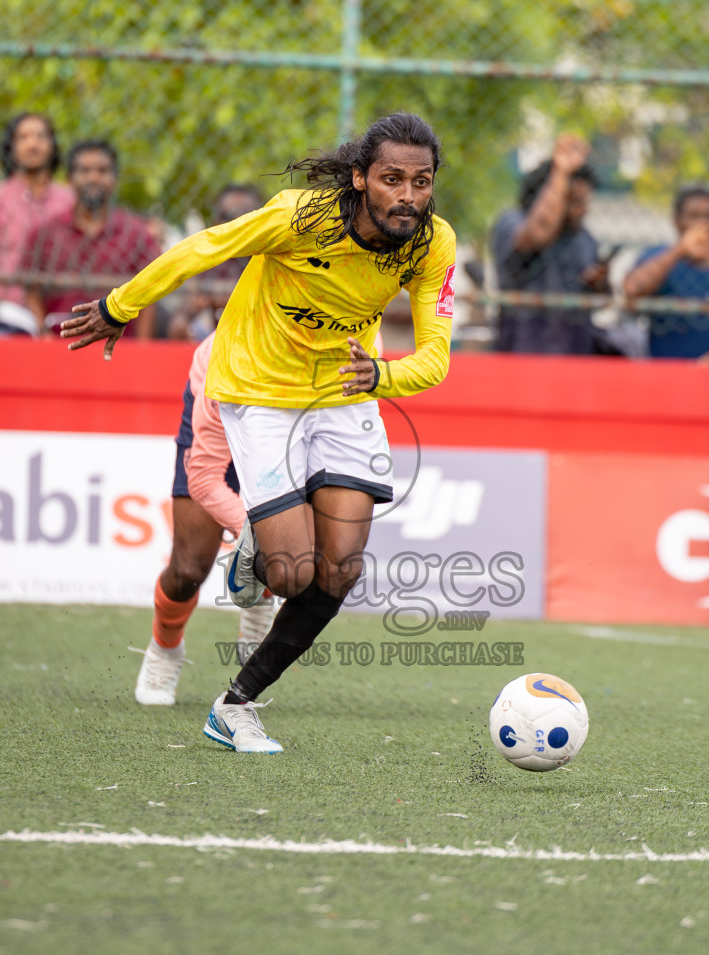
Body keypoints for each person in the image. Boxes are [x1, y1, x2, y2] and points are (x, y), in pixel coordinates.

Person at [61, 112, 457, 752]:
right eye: (391, 180)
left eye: (421, 181)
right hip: (258, 390)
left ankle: (234, 705)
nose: (408, 196)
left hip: (344, 391)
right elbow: (204, 248)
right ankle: (239, 569)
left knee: (342, 570)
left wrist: (380, 375)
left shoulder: (432, 242)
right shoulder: (302, 217)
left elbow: (436, 358)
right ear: (360, 179)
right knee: (286, 573)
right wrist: (119, 306)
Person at [132, 332, 278, 705]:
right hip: (220, 421)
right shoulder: (228, 359)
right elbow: (204, 479)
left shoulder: (343, 345)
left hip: (289, 427)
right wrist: (257, 536)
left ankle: (260, 590)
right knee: (188, 570)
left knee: (291, 547)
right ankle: (165, 647)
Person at [22, 140, 160, 334]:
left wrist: (140, 351)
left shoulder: (137, 235)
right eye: (84, 171)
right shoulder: (45, 233)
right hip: (57, 342)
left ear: (114, 179)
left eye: (102, 171)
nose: (94, 177)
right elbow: (31, 290)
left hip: (119, 345)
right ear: (69, 178)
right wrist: (43, 336)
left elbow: (149, 295)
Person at [490, 134, 609, 354]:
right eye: (573, 202)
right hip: (522, 350)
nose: (582, 210)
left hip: (575, 354)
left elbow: (602, 298)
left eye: (585, 203)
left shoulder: (584, 238)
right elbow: (537, 234)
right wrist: (561, 172)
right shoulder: (512, 221)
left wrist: (598, 282)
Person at [622, 183, 709, 365]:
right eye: (693, 216)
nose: (703, 223)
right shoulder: (660, 259)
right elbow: (633, 288)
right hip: (667, 373)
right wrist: (680, 250)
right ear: (677, 220)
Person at [0, 113, 74, 310]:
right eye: (23, 138)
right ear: (11, 147)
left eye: (41, 136)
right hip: (6, 305)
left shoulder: (70, 201)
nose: (33, 144)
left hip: (62, 307)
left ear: (52, 145)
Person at [168, 184, 265, 340]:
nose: (240, 225)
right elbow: (178, 324)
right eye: (231, 218)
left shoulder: (269, 258)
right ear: (216, 222)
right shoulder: (209, 262)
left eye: (247, 216)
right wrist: (197, 305)